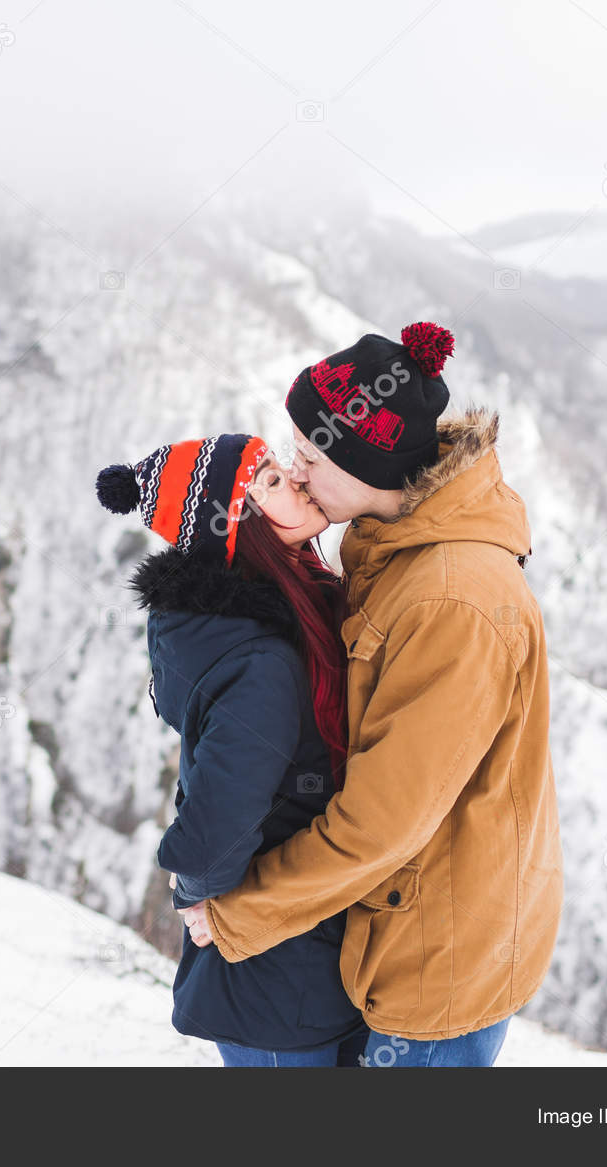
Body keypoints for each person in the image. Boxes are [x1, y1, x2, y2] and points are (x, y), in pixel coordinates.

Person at [178, 322, 564, 1068]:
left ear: (369, 463)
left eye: (312, 457)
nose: (295, 471)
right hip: (399, 926)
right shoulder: (392, 541)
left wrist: (239, 914)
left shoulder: (449, 602)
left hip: (435, 968)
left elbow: (381, 823)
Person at [96, 434, 369, 1066]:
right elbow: (215, 825)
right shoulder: (263, 659)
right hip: (276, 988)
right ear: (235, 529)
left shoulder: (263, 621)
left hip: (291, 965)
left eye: (281, 471)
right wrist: (199, 892)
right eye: (271, 483)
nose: (297, 483)